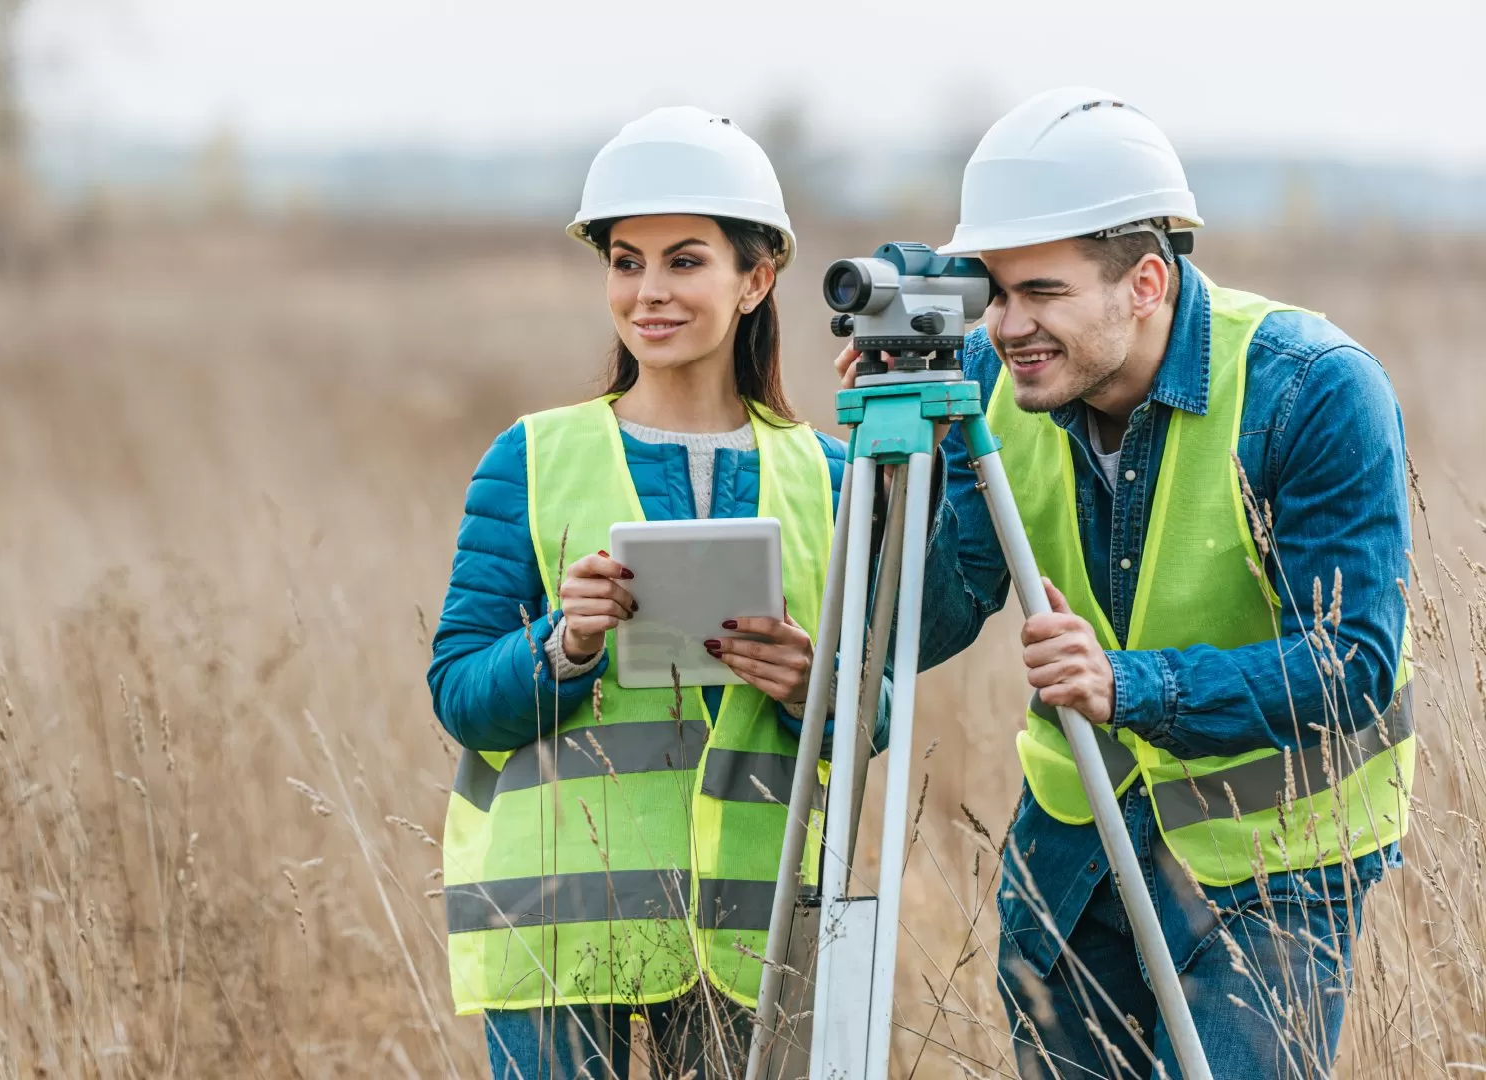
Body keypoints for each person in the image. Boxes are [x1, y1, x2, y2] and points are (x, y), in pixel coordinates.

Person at [837, 87, 1416, 1078]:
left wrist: (1129, 688)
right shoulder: (987, 382)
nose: (1006, 326)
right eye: (993, 291)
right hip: (1076, 853)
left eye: (1041, 294)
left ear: (1144, 282)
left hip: (1272, 866)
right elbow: (926, 619)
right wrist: (895, 475)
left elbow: (1352, 665)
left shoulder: (1309, 387)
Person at [428, 106, 848, 1080]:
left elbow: (869, 726)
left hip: (756, 921)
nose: (648, 291)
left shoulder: (831, 475)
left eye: (684, 262)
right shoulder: (532, 458)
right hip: (561, 926)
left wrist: (807, 683)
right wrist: (563, 648)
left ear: (757, 279)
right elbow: (457, 692)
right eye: (626, 262)